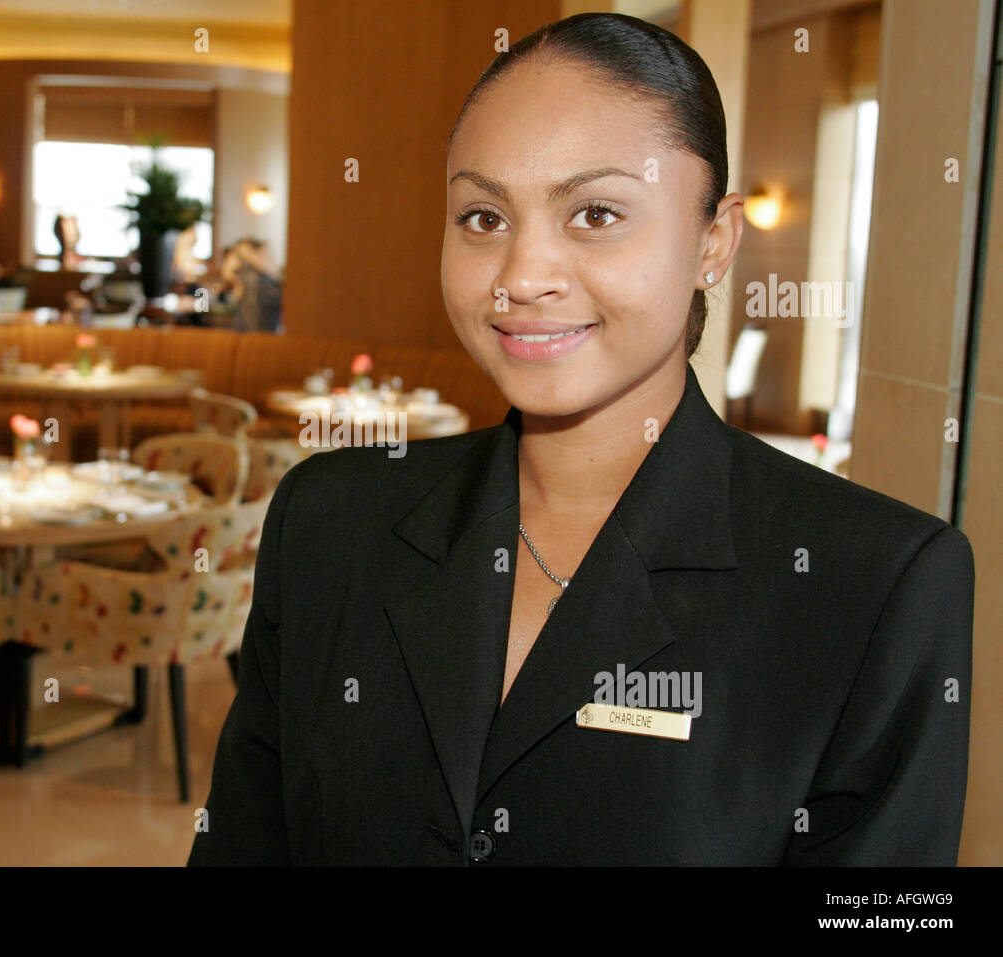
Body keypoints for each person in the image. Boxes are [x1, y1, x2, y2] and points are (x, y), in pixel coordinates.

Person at [188, 13, 973, 865]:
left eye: (596, 213)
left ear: (715, 241)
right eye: (483, 217)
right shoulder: (331, 519)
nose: (522, 275)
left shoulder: (874, 584)